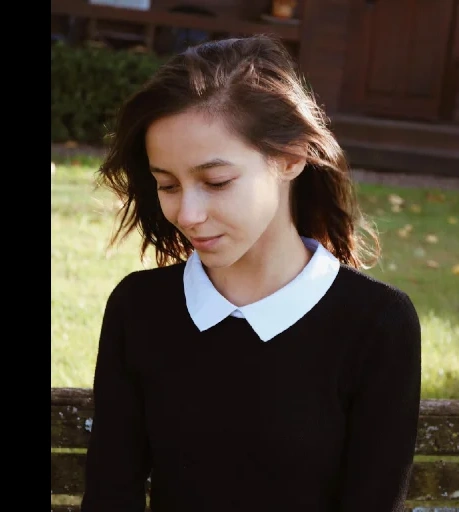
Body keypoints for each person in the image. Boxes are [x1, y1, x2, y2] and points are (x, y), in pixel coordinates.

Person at [81, 34, 421, 512]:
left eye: (215, 182)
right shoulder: (139, 308)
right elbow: (110, 493)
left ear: (290, 158)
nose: (188, 213)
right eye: (168, 185)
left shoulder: (377, 323)